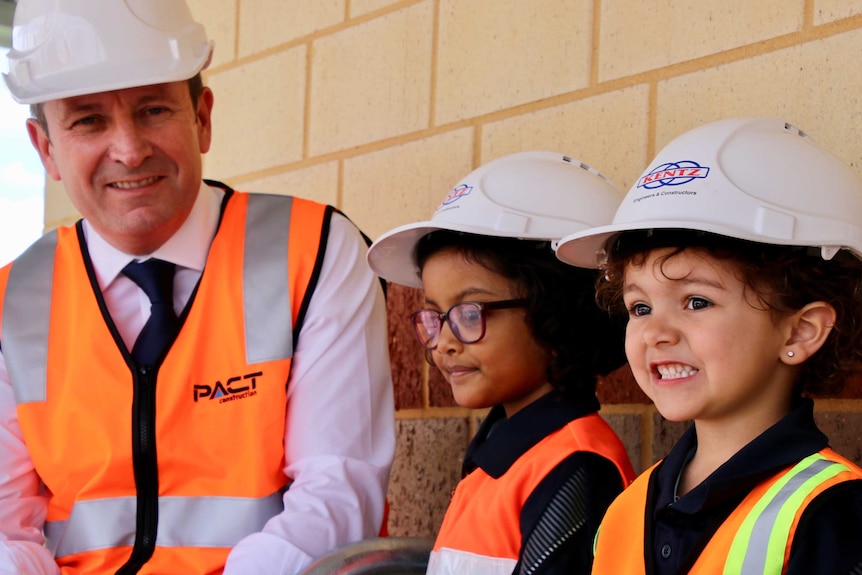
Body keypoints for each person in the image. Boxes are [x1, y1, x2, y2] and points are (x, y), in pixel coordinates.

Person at [0, 1, 395, 574]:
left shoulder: (314, 251)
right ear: (45, 150)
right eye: (88, 120)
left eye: (153, 109)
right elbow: (8, 531)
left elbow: (339, 490)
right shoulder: (13, 302)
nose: (130, 150)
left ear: (202, 118)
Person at [555, 117, 862, 574]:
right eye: (640, 308)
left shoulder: (834, 513)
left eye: (696, 301)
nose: (657, 332)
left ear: (800, 332)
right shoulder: (626, 508)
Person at [367, 151, 637, 575]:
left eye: (470, 314)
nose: (444, 344)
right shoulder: (503, 454)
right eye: (434, 317)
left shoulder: (576, 468)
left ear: (559, 313)